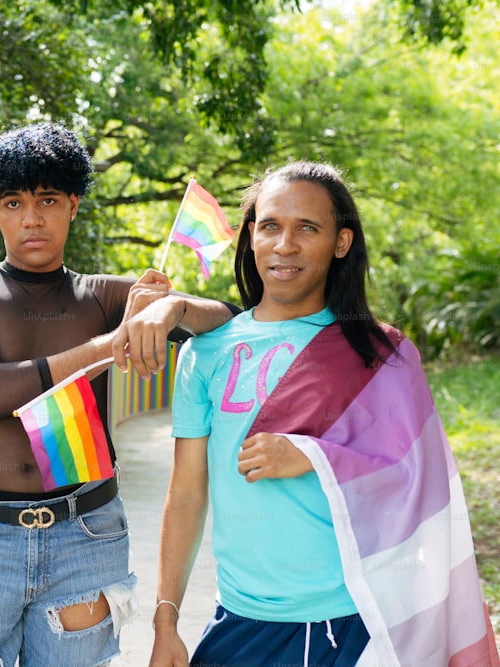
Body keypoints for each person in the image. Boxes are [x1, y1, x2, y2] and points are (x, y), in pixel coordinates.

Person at [131, 161, 500, 666]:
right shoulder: (205, 353)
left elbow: (418, 482)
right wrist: (166, 619)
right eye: (271, 226)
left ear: (341, 242)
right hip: (240, 622)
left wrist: (311, 455)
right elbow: (188, 493)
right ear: (251, 237)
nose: (286, 245)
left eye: (308, 228)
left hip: (354, 624)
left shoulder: (381, 354)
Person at [0, 122, 238, 667]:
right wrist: (108, 346)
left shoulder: (108, 295)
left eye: (48, 199)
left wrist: (168, 308)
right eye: (14, 202)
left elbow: (228, 320)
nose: (32, 217)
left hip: (85, 533)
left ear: (73, 205)